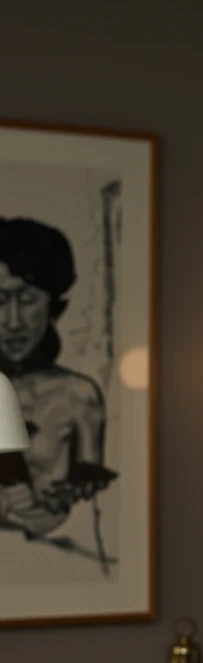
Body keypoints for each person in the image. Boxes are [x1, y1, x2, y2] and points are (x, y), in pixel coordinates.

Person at [0, 217, 115, 538]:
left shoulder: (79, 395)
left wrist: (73, 491)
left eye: (27, 300)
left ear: (52, 305)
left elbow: (98, 505)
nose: (13, 322)